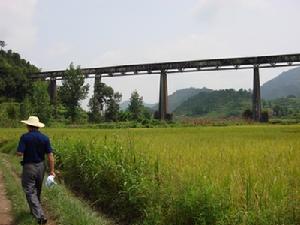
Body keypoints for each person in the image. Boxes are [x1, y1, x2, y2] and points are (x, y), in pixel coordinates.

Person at [17, 116, 55, 224]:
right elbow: (50, 156)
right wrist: (52, 170)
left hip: (29, 166)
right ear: (37, 126)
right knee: (37, 190)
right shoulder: (45, 138)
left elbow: (20, 153)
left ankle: (40, 216)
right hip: (41, 167)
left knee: (29, 190)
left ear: (28, 125)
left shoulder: (25, 137)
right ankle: (35, 212)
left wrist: (21, 152)